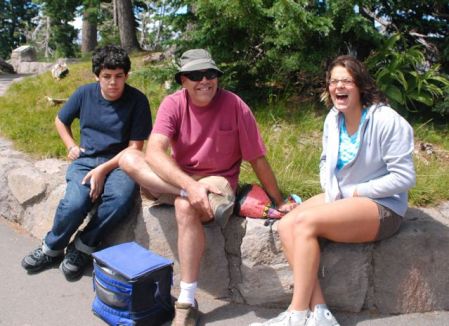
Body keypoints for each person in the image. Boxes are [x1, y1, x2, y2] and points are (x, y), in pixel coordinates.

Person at [119, 48, 295, 326]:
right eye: (195, 75)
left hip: (216, 181)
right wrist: (188, 185)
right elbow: (154, 151)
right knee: (129, 157)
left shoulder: (236, 105)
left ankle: (186, 301)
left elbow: (257, 159)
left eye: (210, 73)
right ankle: (185, 193)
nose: (204, 80)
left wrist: (279, 199)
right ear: (183, 81)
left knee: (184, 205)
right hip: (179, 179)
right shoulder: (173, 104)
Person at [250, 55, 416, 326]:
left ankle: (296, 314)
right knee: (286, 224)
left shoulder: (387, 121)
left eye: (347, 81)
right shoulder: (333, 119)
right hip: (344, 197)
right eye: (333, 81)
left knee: (304, 222)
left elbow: (405, 178)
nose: (339, 86)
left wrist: (354, 192)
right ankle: (320, 313)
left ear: (360, 85)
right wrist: (332, 190)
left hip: (383, 206)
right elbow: (327, 161)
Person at [21, 45, 152, 281]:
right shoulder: (84, 94)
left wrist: (103, 170)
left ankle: (83, 246)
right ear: (97, 76)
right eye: (107, 77)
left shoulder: (138, 101)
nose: (113, 82)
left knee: (120, 201)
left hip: (122, 162)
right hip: (86, 159)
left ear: (126, 76)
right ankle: (51, 248)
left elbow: (135, 149)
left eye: (119, 76)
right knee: (75, 202)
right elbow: (61, 120)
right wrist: (71, 145)